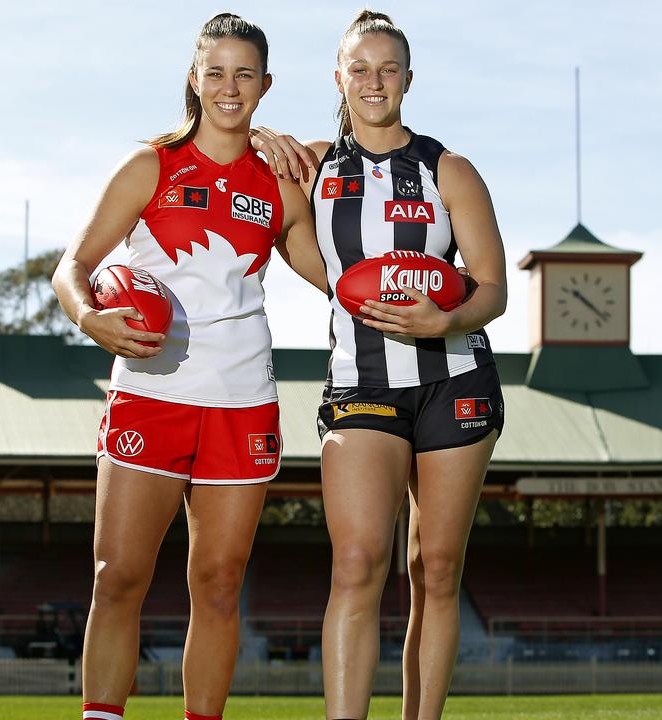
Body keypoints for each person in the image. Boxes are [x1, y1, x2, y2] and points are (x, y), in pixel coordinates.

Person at [52, 14, 323, 720]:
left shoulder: (282, 185)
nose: (229, 87)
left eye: (244, 74)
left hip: (242, 401)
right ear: (193, 78)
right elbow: (72, 266)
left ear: (266, 86)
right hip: (151, 392)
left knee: (220, 581)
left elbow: (333, 277)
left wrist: (323, 158)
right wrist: (88, 316)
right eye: (215, 71)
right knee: (118, 578)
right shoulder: (149, 166)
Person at [251, 11, 507, 720]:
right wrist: (262, 141)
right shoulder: (310, 166)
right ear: (338, 77)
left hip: (454, 379)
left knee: (437, 568)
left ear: (408, 79)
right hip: (362, 385)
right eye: (359, 68)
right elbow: (304, 253)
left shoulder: (447, 169)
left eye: (388, 68)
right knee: (359, 563)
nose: (373, 81)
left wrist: (445, 319)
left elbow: (493, 286)